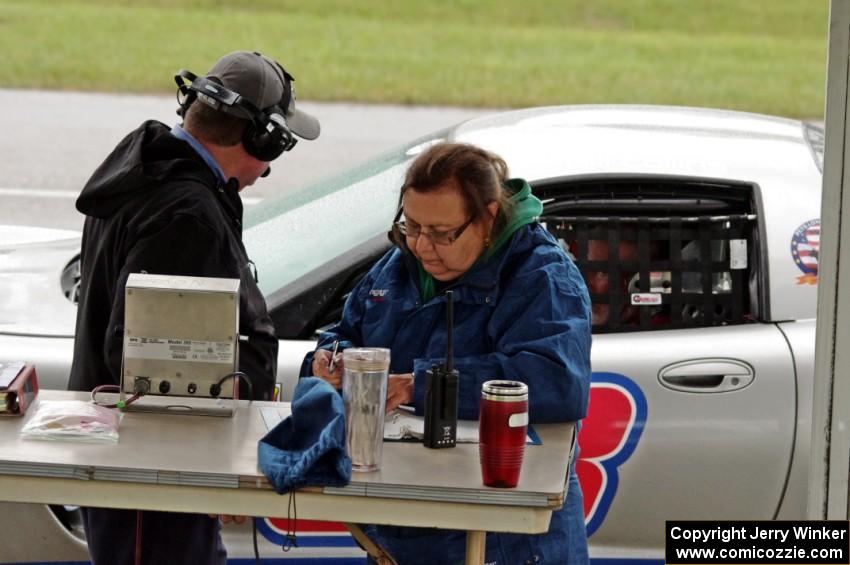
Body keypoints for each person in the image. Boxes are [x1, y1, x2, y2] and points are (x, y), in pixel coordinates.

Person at [68, 50, 320, 564]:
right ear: (260, 137)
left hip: (140, 462)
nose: (269, 166)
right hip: (156, 470)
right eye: (275, 146)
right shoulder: (187, 215)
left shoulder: (149, 176)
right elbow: (153, 363)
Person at [304, 142, 592, 564]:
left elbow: (555, 381)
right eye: (411, 226)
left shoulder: (542, 276)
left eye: (441, 234)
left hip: (506, 536)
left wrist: (422, 385)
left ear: (489, 217)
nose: (421, 246)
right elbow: (343, 333)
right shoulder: (399, 266)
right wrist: (334, 359)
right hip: (405, 526)